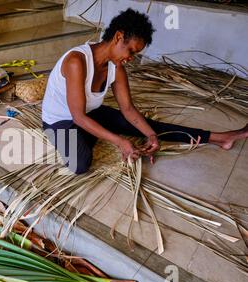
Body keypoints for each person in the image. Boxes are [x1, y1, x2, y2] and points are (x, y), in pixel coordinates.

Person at [41, 8, 248, 174]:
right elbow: (77, 116)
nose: (131, 58)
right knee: (80, 164)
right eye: (131, 50)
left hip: (90, 114)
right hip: (60, 121)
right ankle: (96, 135)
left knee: (150, 126)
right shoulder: (77, 61)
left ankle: (219, 137)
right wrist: (119, 141)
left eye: (136, 54)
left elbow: (128, 109)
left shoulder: (117, 67)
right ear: (118, 37)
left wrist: (150, 134)